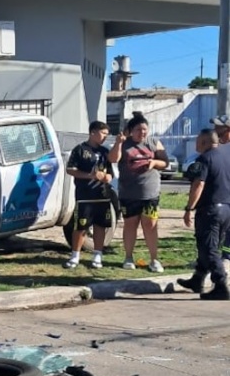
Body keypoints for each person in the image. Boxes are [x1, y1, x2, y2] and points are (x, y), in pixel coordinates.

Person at [108, 111, 170, 273]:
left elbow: (165, 162)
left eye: (144, 129)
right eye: (138, 130)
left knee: (150, 225)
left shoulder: (154, 142)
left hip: (150, 193)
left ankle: (154, 260)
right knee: (130, 225)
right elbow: (113, 159)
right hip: (129, 193)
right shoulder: (124, 143)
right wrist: (118, 143)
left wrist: (154, 162)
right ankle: (128, 257)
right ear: (130, 130)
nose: (142, 133)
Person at [178, 128, 230, 299]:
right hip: (226, 209)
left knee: (209, 248)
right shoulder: (225, 157)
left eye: (198, 141)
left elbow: (198, 184)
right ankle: (197, 279)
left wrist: (189, 208)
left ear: (204, 142)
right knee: (209, 246)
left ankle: (220, 285)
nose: (196, 144)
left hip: (210, 209)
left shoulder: (205, 159)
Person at [64, 121, 113, 270]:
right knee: (80, 226)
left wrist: (107, 177)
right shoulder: (80, 150)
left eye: (106, 134)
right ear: (92, 132)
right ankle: (75, 256)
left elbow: (110, 173)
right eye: (102, 133)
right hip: (85, 195)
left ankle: (98, 255)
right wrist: (90, 175)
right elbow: (70, 169)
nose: (105, 137)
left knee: (100, 226)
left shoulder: (105, 152)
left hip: (102, 195)